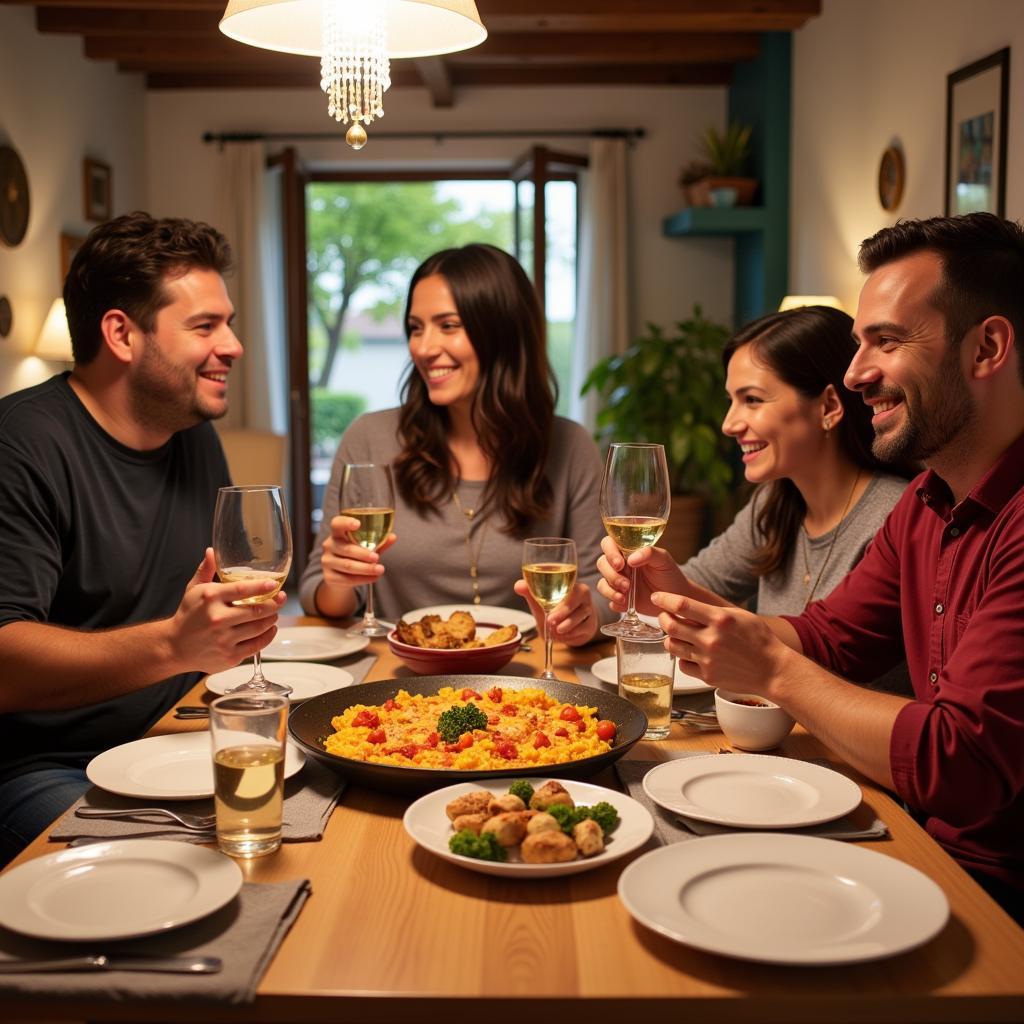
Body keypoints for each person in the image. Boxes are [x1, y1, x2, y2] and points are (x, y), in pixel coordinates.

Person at [599, 213, 1024, 923]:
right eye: (857, 345)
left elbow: (963, 763)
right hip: (913, 840)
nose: (855, 374)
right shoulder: (927, 502)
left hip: (993, 893)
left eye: (884, 342)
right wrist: (684, 597)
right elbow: (829, 636)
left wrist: (771, 671)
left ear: (987, 349)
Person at [0, 212, 284, 866]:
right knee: (178, 874)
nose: (234, 346)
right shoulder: (24, 444)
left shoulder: (192, 434)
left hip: (175, 736)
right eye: (205, 326)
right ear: (122, 335)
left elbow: (225, 589)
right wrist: (171, 645)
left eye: (230, 323)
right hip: (48, 767)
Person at [299, 243, 611, 643]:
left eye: (448, 326)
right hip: (396, 680)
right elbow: (318, 594)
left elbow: (601, 596)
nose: (425, 348)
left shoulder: (571, 446)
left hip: (525, 684)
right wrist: (340, 578)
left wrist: (583, 616)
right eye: (416, 327)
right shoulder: (368, 441)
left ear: (502, 333)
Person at [674, 306, 909, 640]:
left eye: (752, 400)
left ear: (828, 406)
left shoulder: (895, 516)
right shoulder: (776, 502)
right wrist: (596, 605)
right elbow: (694, 583)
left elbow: (831, 656)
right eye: (731, 401)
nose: (729, 425)